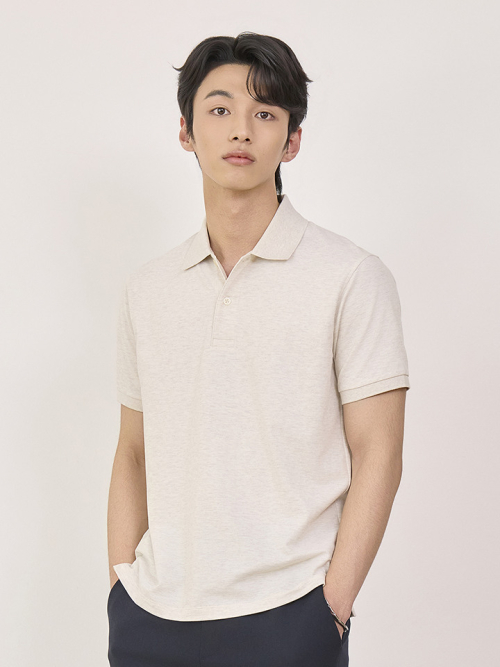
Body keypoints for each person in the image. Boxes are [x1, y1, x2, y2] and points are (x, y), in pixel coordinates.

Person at [107, 31, 410, 667]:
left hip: (290, 613)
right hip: (152, 617)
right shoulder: (147, 289)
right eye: (219, 109)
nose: (240, 130)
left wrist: (332, 607)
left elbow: (379, 452)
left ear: (292, 140)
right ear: (186, 132)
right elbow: (133, 450)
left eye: (265, 113)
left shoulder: (351, 276)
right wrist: (120, 590)